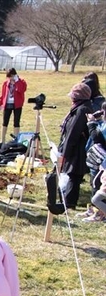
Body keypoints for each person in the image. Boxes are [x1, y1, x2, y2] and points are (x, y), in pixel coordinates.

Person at [57, 82, 92, 210]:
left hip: (78, 148)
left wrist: (65, 153)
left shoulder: (82, 110)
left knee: (74, 174)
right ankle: (67, 200)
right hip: (76, 147)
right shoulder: (80, 107)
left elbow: (73, 132)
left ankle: (69, 203)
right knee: (72, 174)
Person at [81, 101, 106, 222]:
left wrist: (91, 123)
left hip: (103, 162)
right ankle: (94, 210)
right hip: (100, 162)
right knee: (95, 184)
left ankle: (100, 213)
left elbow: (97, 137)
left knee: (98, 186)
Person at [0, 68, 28, 145]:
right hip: (7, 104)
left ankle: (16, 139)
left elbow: (21, 90)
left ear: (14, 75)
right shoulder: (5, 83)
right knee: (5, 122)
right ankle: (2, 140)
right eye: (8, 77)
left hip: (17, 105)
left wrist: (17, 82)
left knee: (16, 122)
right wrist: (0, 103)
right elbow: (3, 94)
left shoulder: (22, 82)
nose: (9, 78)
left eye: (11, 76)